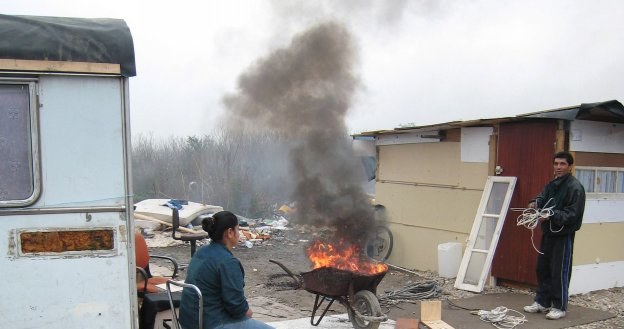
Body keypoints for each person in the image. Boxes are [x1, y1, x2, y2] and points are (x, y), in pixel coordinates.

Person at [179, 211, 274, 329]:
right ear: (230, 232)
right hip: (214, 323)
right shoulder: (228, 262)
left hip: (189, 321)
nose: (239, 233)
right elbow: (236, 307)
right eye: (237, 229)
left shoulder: (201, 251)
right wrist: (247, 311)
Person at [523, 151, 586, 320]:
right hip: (548, 233)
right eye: (556, 163)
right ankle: (542, 302)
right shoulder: (552, 184)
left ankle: (559, 306)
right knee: (542, 268)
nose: (558, 167)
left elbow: (572, 214)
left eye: (562, 164)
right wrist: (535, 203)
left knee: (560, 270)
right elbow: (543, 198)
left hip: (563, 235)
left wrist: (551, 215)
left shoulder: (575, 188)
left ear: (570, 166)